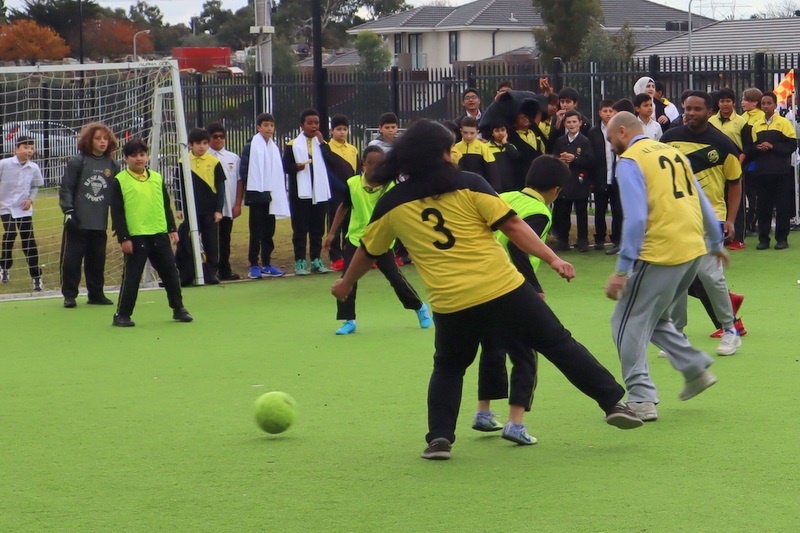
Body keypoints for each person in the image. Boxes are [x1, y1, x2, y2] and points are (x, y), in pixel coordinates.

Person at [331, 119, 642, 461]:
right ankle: (613, 403)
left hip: (451, 302)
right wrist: (553, 259)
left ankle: (439, 440)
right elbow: (512, 226)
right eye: (450, 149)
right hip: (503, 288)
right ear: (441, 154)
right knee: (558, 343)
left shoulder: (392, 203)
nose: (453, 154)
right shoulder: (470, 183)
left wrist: (346, 283)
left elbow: (368, 251)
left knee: (449, 366)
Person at [605, 111, 726, 423]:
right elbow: (702, 201)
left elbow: (635, 218)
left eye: (610, 139)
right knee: (654, 317)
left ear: (621, 132)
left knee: (624, 321)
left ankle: (641, 397)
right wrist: (714, 243)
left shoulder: (630, 160)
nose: (611, 146)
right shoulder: (673, 153)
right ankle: (694, 368)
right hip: (692, 249)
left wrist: (621, 270)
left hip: (660, 251)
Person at [472, 155, 569, 441]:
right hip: (511, 287)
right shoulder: (540, 211)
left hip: (481, 281)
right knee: (525, 352)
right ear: (556, 190)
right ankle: (515, 423)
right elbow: (519, 248)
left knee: (492, 347)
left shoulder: (505, 195)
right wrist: (536, 288)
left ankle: (484, 412)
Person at [660, 91, 745, 352]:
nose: (691, 113)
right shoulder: (669, 138)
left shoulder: (722, 144)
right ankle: (677, 334)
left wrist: (730, 220)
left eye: (697, 109)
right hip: (677, 217)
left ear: (709, 112)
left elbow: (734, 183)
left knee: (710, 275)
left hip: (712, 218)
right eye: (687, 108)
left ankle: (730, 330)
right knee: (676, 278)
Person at [323, 146, 431, 335]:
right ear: (363, 164)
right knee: (347, 280)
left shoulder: (391, 187)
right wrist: (332, 234)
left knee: (395, 278)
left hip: (381, 241)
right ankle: (349, 320)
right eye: (370, 163)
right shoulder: (352, 184)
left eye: (379, 164)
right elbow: (344, 207)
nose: (374, 167)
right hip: (356, 240)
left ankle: (419, 307)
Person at [108, 139, 193, 327]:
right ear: (126, 158)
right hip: (136, 236)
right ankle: (122, 314)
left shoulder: (156, 177)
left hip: (159, 234)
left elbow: (164, 204)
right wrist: (124, 237)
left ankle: (178, 308)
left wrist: (172, 229)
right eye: (134, 155)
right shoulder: (119, 180)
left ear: (147, 156)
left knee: (171, 273)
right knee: (132, 276)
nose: (139, 159)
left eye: (142, 154)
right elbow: (117, 212)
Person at [59, 122, 119, 307]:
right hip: (78, 222)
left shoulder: (112, 164)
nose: (102, 142)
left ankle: (96, 294)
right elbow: (66, 187)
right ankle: (70, 295)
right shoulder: (78, 161)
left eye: (105, 138)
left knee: (97, 261)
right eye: (98, 138)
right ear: (88, 140)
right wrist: (68, 211)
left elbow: (116, 195)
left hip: (99, 222)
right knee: (72, 260)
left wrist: (117, 219)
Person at [240, 113, 290, 279]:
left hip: (271, 196)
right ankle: (254, 264)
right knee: (256, 231)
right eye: (266, 125)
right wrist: (255, 189)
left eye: (271, 125)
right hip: (256, 196)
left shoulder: (274, 148)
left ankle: (267, 263)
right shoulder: (251, 146)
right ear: (258, 127)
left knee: (269, 231)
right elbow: (245, 170)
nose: (269, 128)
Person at [174, 127, 226, 286]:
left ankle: (211, 273)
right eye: (198, 143)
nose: (202, 146)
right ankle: (188, 274)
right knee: (188, 241)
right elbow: (179, 186)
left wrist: (218, 209)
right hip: (191, 210)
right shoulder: (183, 161)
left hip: (209, 209)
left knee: (211, 242)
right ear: (191, 144)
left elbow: (220, 187)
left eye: (205, 143)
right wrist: (179, 206)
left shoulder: (214, 162)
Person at [283, 108, 332, 275]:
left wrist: (323, 142)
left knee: (317, 227)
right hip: (300, 193)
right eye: (310, 123)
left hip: (319, 192)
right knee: (300, 227)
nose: (313, 126)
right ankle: (300, 261)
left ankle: (316, 260)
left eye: (316, 123)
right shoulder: (292, 145)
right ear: (302, 125)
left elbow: (330, 161)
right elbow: (285, 167)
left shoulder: (322, 144)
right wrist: (297, 167)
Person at [747, 91, 798, 250]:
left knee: (782, 206)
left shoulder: (783, 123)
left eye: (769, 103)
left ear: (775, 105)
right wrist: (758, 147)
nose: (766, 106)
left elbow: (791, 145)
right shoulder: (756, 125)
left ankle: (782, 239)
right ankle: (764, 239)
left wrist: (773, 146)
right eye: (763, 103)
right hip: (762, 173)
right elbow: (751, 148)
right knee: (763, 207)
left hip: (781, 172)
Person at [0, 136, 44, 291]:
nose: (29, 151)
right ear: (16, 149)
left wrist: (30, 199)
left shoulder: (34, 168)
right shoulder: (4, 164)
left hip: (23, 209)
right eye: (25, 147)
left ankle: (36, 277)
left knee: (28, 241)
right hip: (5, 207)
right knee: (10, 233)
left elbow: (36, 186)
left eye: (31, 148)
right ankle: (4, 267)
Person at [709, 88, 747, 249]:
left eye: (728, 101)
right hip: (716, 166)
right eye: (722, 101)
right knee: (719, 199)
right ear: (718, 103)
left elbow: (748, 146)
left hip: (736, 164)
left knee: (735, 201)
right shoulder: (710, 121)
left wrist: (738, 162)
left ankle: (737, 238)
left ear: (734, 103)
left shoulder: (741, 121)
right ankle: (720, 237)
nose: (725, 104)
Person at [551, 110, 594, 252]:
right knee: (563, 212)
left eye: (574, 121)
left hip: (580, 181)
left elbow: (590, 161)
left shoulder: (585, 141)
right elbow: (554, 158)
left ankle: (582, 241)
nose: (571, 124)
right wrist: (561, 159)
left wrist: (575, 158)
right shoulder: (560, 141)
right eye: (568, 122)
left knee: (582, 212)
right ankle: (563, 240)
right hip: (565, 182)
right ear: (564, 124)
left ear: (580, 123)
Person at [321, 114, 358, 272]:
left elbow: (357, 170)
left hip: (352, 191)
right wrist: (342, 187)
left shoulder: (353, 149)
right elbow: (328, 172)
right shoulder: (327, 147)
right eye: (338, 129)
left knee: (350, 223)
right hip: (336, 191)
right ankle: (336, 257)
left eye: (344, 129)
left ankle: (348, 254)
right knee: (336, 222)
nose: (342, 132)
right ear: (332, 131)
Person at [206, 122, 243, 281]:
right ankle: (209, 271)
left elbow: (239, 181)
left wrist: (237, 204)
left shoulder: (233, 158)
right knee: (209, 239)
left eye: (222, 136)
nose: (219, 139)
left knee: (225, 239)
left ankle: (225, 270)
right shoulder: (205, 156)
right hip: (210, 207)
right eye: (215, 136)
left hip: (228, 206)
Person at [588, 100, 621, 251]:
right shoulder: (593, 132)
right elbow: (590, 156)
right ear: (599, 112)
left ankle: (617, 238)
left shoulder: (620, 130)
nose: (608, 114)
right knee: (600, 210)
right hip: (600, 177)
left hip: (617, 177)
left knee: (617, 210)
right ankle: (599, 238)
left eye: (611, 111)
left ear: (615, 113)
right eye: (605, 111)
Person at [740, 88, 765, 236]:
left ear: (755, 102)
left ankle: (752, 221)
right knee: (747, 192)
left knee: (754, 193)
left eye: (746, 99)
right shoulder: (743, 117)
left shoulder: (760, 117)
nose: (742, 102)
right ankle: (748, 221)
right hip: (745, 159)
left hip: (755, 160)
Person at [453, 117, 497, 189]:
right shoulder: (456, 148)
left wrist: (495, 188)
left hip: (479, 185)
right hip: (461, 185)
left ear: (478, 132)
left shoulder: (483, 147)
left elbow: (492, 171)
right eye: (465, 133)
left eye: (472, 133)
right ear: (461, 131)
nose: (468, 136)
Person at [485, 121, 521, 192]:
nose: (500, 133)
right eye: (497, 131)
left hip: (511, 186)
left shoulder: (510, 146)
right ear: (492, 133)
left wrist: (505, 143)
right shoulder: (486, 147)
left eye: (502, 130)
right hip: (495, 186)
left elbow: (516, 157)